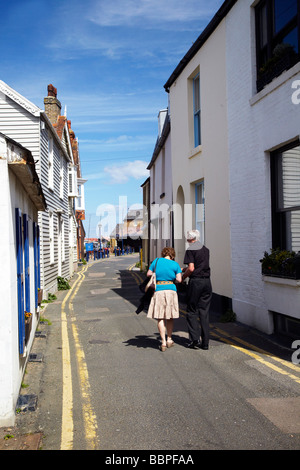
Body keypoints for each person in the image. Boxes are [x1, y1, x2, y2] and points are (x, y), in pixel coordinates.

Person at [147, 247, 182, 351]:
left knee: (160, 317)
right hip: (171, 290)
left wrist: (156, 274)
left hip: (159, 290)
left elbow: (148, 273)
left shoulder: (156, 261)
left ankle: (162, 342)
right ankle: (169, 339)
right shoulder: (175, 264)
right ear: (172, 255)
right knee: (169, 316)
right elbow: (179, 279)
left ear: (163, 254)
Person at [182, 230, 212, 350]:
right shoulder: (205, 249)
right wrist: (185, 269)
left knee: (192, 310)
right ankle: (205, 343)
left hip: (196, 282)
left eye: (187, 238)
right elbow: (199, 265)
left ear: (190, 238)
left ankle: (194, 340)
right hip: (207, 282)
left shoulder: (191, 249)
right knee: (204, 312)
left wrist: (184, 276)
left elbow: (192, 268)